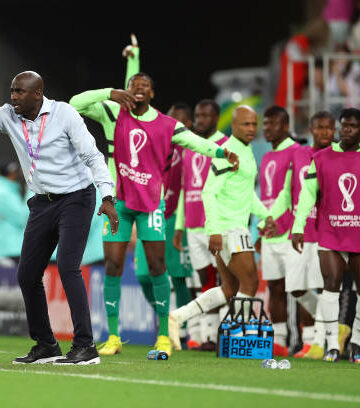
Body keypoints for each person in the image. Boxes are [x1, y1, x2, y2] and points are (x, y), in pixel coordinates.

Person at [70, 71, 238, 357]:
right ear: (127, 89)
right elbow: (75, 103)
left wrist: (221, 154)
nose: (138, 88)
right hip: (118, 203)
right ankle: (113, 336)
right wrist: (109, 92)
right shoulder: (113, 113)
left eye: (144, 85)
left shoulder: (167, 125)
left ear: (152, 94)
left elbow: (197, 142)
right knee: (112, 265)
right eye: (134, 84)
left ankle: (163, 334)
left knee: (158, 265)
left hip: (151, 205)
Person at [0, 71, 118, 365]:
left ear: (37, 93)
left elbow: (93, 157)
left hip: (76, 198)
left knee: (67, 267)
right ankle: (46, 345)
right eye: (12, 91)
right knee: (27, 274)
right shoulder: (8, 116)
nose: (13, 96)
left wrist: (107, 196)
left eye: (19, 92)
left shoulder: (64, 114)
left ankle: (85, 346)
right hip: (41, 203)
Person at [169, 105, 276, 351]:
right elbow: (208, 192)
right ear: (234, 125)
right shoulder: (229, 152)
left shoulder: (246, 152)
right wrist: (214, 230)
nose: (251, 128)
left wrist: (266, 215)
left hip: (234, 227)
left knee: (230, 288)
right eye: (246, 124)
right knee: (249, 284)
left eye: (253, 124)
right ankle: (240, 338)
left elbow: (246, 196)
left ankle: (177, 317)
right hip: (229, 230)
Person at [263, 111, 336, 358]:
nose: (324, 132)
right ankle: (331, 324)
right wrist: (270, 217)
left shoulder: (336, 156)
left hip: (325, 232)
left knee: (319, 286)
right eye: (319, 128)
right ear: (311, 130)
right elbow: (286, 191)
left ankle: (312, 342)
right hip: (300, 231)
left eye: (329, 128)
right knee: (296, 287)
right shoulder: (299, 154)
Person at [292, 107, 360, 363]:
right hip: (330, 232)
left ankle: (356, 343)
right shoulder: (321, 158)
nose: (347, 130)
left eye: (353, 126)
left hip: (357, 233)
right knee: (330, 284)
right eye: (344, 125)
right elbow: (307, 195)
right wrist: (298, 227)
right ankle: (332, 344)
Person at [134, 102, 193, 347]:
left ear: (187, 125)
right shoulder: (154, 144)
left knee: (179, 276)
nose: (171, 125)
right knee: (144, 275)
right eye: (169, 119)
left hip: (178, 218)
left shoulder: (192, 149)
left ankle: (183, 327)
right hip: (150, 213)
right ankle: (165, 316)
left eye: (178, 121)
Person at [173, 99, 228, 351]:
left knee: (224, 278)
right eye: (197, 115)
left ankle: (221, 333)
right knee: (204, 279)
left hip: (216, 225)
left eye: (205, 116)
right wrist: (179, 227)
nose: (200, 120)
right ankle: (209, 336)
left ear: (216, 118)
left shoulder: (226, 146)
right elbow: (186, 189)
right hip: (194, 226)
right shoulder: (190, 147)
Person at [258, 105, 301, 356]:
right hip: (270, 233)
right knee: (274, 286)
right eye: (265, 123)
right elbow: (266, 198)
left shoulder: (296, 152)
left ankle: (309, 337)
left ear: (285, 126)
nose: (267, 128)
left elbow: (292, 196)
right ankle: (280, 340)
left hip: (289, 233)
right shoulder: (266, 156)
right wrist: (262, 229)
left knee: (298, 288)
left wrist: (282, 224)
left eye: (272, 124)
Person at [0, 161, 29, 262]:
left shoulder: (7, 190)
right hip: (9, 249)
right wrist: (32, 190)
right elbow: (22, 218)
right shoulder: (4, 192)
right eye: (14, 172)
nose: (16, 175)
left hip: (7, 249)